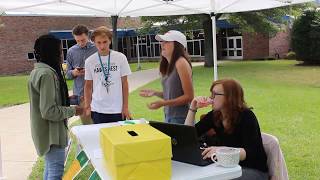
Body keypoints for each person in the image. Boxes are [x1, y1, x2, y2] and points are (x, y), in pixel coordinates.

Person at [184, 79, 269, 180]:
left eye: (215, 94)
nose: (211, 98)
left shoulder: (247, 116)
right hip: (228, 168)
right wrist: (193, 108)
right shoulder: (216, 115)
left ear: (229, 97)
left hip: (253, 170)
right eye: (211, 94)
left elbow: (252, 153)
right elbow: (188, 136)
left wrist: (223, 150)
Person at [28, 34, 83, 179]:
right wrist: (75, 110)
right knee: (55, 172)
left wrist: (71, 99)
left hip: (46, 133)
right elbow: (48, 111)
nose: (61, 54)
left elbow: (50, 101)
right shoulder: (47, 74)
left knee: (50, 169)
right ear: (51, 52)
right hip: (51, 135)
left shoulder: (38, 71)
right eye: (59, 51)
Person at [139, 30, 194, 124]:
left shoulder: (181, 63)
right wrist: (155, 93)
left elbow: (189, 96)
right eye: (161, 41)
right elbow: (172, 95)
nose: (162, 44)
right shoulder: (168, 65)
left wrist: (163, 103)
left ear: (177, 45)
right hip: (169, 117)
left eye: (167, 41)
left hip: (181, 119)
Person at [84, 26, 132, 124]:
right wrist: (87, 105)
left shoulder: (120, 57)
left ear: (110, 40)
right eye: (99, 43)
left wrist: (125, 107)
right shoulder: (90, 61)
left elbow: (125, 83)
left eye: (105, 42)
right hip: (97, 109)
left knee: (118, 138)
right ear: (94, 42)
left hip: (117, 109)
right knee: (101, 138)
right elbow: (88, 85)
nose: (102, 46)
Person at [66, 24, 97, 124]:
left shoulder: (97, 48)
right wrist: (74, 72)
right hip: (81, 95)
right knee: (87, 126)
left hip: (98, 93)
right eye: (77, 40)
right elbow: (67, 74)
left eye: (83, 40)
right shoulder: (71, 51)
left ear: (88, 36)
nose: (80, 43)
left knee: (101, 125)